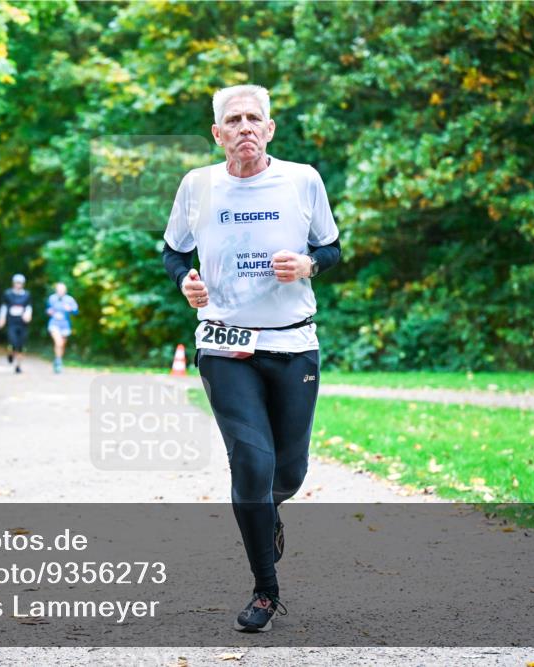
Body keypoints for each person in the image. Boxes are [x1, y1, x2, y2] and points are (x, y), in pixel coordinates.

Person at [162, 84, 342, 633]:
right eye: (233, 120)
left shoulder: (303, 180)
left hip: (292, 342)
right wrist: (186, 280)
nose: (244, 127)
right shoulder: (197, 186)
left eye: (253, 118)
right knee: (253, 464)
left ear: (269, 130)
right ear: (217, 135)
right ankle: (266, 589)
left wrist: (309, 266)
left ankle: (271, 512)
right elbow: (173, 250)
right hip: (224, 344)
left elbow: (332, 248)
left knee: (289, 471)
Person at [0, 273, 32, 374]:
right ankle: (11, 353)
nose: (18, 285)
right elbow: (4, 307)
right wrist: (1, 319)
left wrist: (28, 315)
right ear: (13, 283)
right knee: (13, 342)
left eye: (20, 283)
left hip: (22, 323)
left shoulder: (27, 295)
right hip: (12, 322)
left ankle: (18, 366)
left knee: (21, 345)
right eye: (17, 283)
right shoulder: (8, 294)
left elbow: (29, 307)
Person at [46, 282, 78, 373]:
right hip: (54, 324)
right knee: (58, 342)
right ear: (56, 290)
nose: (60, 291)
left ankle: (58, 360)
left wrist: (70, 309)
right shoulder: (52, 298)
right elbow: (48, 309)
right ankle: (59, 362)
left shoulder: (70, 300)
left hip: (65, 325)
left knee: (62, 345)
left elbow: (76, 311)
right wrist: (49, 311)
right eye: (59, 290)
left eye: (62, 290)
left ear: (65, 291)